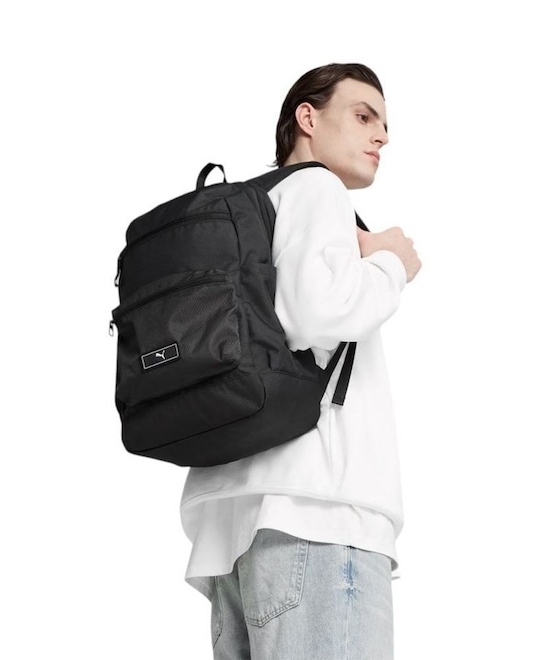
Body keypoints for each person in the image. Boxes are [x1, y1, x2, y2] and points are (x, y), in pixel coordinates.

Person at [179, 63, 421, 659]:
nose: (382, 135)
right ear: (307, 118)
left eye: (384, 124)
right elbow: (316, 313)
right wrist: (391, 263)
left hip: (236, 528)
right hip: (319, 520)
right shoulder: (316, 188)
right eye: (363, 116)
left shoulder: (258, 205)